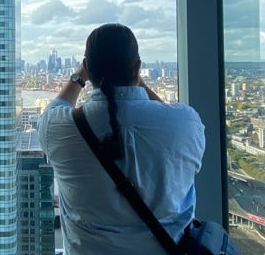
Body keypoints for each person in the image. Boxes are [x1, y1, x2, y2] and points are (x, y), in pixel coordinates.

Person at [37, 23, 205, 254]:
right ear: (137, 67)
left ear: (87, 67)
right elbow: (168, 114)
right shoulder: (186, 124)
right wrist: (137, 80)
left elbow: (56, 107)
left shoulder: (58, 129)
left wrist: (79, 77)